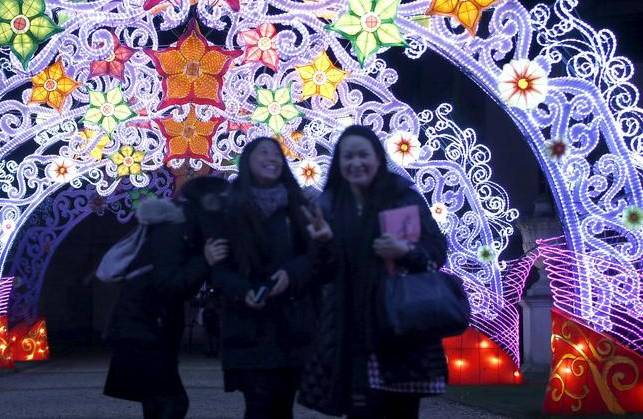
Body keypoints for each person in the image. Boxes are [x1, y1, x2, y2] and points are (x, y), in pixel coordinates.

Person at [297, 125, 448, 419]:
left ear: (378, 158)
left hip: (402, 327)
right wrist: (323, 242)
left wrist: (406, 252)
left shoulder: (403, 197)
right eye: (347, 157)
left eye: (363, 155)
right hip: (352, 332)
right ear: (339, 164)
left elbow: (437, 250)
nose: (356, 163)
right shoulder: (330, 207)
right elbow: (319, 275)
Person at [101, 176, 230, 419]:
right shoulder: (175, 230)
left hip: (146, 329)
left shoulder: (183, 229)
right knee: (171, 403)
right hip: (144, 330)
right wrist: (205, 261)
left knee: (157, 402)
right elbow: (167, 285)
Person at [210, 137, 318, 419]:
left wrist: (292, 275)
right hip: (248, 328)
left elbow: (315, 257)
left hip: (291, 326)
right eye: (264, 152)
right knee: (258, 406)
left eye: (277, 154)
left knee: (283, 407)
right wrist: (242, 290)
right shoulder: (228, 208)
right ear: (247, 161)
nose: (272, 158)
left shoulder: (299, 206)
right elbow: (217, 269)